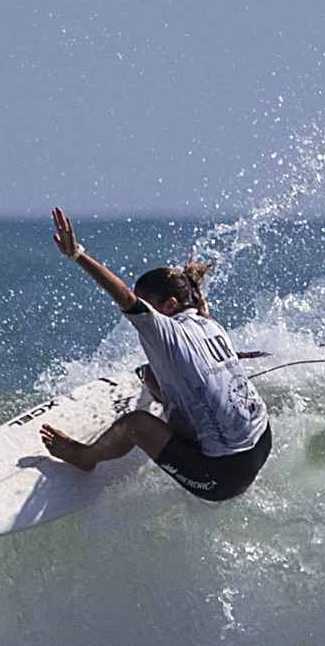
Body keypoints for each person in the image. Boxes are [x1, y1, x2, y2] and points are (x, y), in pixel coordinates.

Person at [41, 208, 272, 503]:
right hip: (262, 440)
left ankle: (86, 456)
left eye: (149, 304)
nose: (144, 311)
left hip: (222, 476)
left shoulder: (166, 331)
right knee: (150, 374)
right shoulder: (208, 323)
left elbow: (124, 297)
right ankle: (179, 426)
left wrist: (77, 255)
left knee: (136, 424)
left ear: (170, 304)